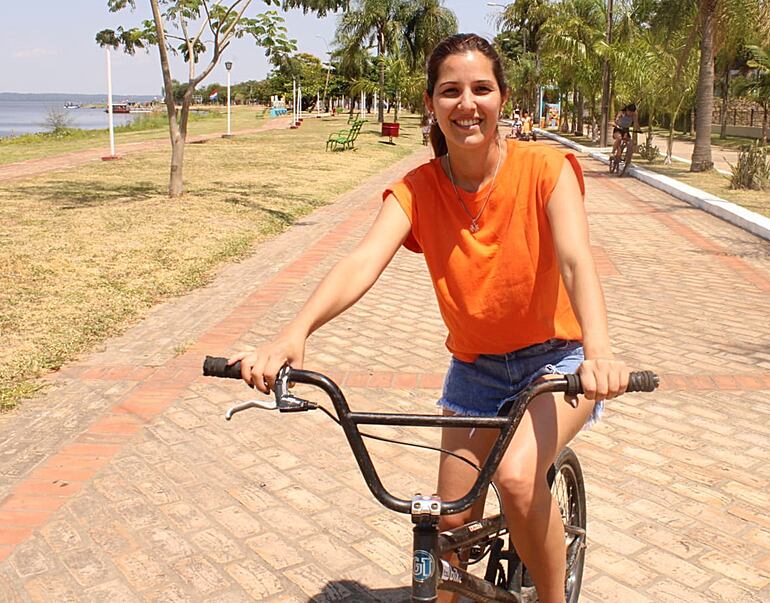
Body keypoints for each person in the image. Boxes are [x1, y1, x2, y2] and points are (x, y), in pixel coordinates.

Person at [230, 33, 629, 603]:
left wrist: (601, 351)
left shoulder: (547, 168)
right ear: (431, 104)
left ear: (503, 98)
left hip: (558, 361)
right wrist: (294, 332)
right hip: (475, 370)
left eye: (481, 89)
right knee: (447, 523)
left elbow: (574, 257)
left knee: (518, 481)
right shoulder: (418, 189)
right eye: (450, 91)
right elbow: (362, 261)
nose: (467, 104)